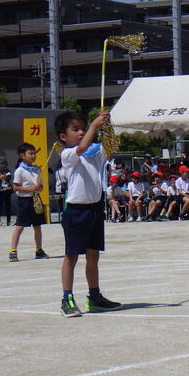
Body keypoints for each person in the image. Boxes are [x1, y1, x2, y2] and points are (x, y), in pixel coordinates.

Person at [55, 110, 121, 317]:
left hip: (95, 209)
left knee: (93, 256)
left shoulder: (95, 152)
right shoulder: (67, 154)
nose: (81, 132)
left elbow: (110, 148)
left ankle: (94, 296)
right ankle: (67, 298)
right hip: (76, 211)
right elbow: (82, 148)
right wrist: (94, 125)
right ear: (63, 136)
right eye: (75, 129)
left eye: (83, 128)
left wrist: (106, 125)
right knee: (71, 256)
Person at [8, 143, 48, 262]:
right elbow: (15, 187)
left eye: (34, 153)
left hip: (36, 199)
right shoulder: (19, 171)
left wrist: (39, 188)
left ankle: (39, 250)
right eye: (30, 153)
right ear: (22, 156)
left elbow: (41, 186)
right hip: (24, 201)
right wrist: (30, 189)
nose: (33, 156)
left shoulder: (37, 169)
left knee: (37, 226)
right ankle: (13, 250)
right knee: (20, 226)